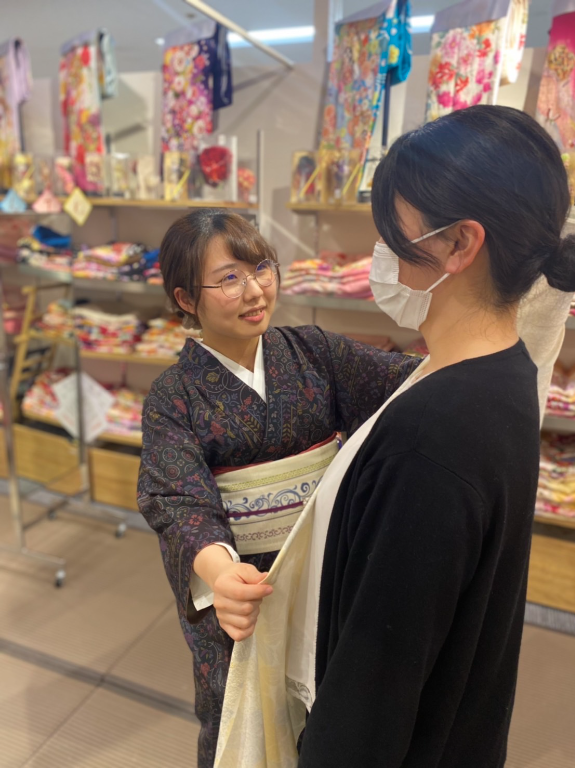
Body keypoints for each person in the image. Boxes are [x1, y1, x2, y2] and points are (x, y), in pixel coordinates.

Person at [294, 106, 575, 767]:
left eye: (394, 230)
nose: (382, 251)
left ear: (459, 244)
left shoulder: (435, 432)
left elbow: (374, 684)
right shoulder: (504, 372)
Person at [137, 210, 420, 767]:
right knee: (238, 726)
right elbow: (179, 500)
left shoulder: (313, 352)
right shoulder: (173, 396)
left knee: (334, 712)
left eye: (261, 267)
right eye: (229, 278)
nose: (255, 290)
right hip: (244, 588)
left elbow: (405, 388)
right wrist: (222, 576)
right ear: (185, 299)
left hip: (326, 573)